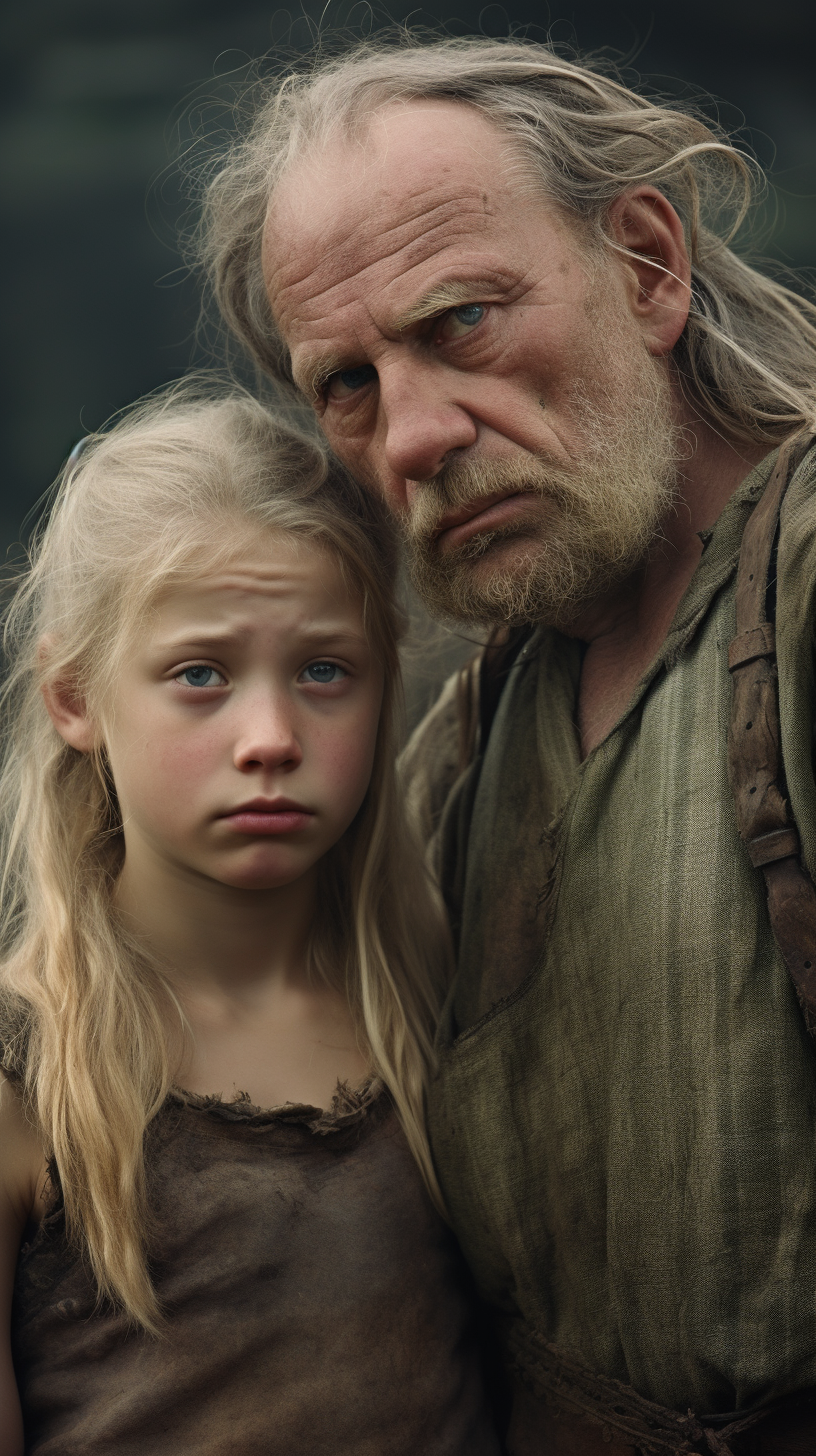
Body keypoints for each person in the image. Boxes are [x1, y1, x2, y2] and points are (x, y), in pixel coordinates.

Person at [196, 35, 816, 1456]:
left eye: (460, 321)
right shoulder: (464, 749)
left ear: (648, 267)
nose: (412, 435)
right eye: (346, 383)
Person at [0, 383, 502, 1455]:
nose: (271, 735)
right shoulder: (28, 1081)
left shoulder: (444, 1004)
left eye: (325, 670)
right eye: (200, 675)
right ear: (76, 696)